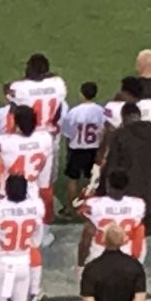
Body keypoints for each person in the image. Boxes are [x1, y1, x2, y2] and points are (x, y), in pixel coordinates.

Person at [101, 102, 151, 236]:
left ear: (124, 117)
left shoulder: (120, 135)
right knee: (147, 228)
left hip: (126, 188)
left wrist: (102, 190)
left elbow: (111, 164)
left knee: (126, 232)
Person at [62, 82, 105, 214]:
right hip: (94, 148)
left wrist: (69, 148)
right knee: (92, 179)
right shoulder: (101, 111)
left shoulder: (74, 112)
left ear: (81, 94)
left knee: (73, 178)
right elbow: (104, 131)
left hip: (77, 149)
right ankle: (91, 208)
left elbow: (68, 133)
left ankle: (70, 208)